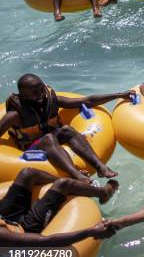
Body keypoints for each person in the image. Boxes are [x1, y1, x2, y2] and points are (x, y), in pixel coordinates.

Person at [0, 74, 135, 181]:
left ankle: (101, 167)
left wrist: (119, 95)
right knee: (48, 138)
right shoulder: (15, 114)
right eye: (35, 92)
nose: (41, 94)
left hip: (52, 139)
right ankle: (76, 174)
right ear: (23, 95)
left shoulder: (51, 100)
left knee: (67, 130)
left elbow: (87, 101)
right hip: (30, 150)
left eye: (41, 89)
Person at [0, 168, 118, 246]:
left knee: (28, 174)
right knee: (64, 184)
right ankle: (103, 193)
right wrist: (89, 232)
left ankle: (77, 183)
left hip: (5, 218)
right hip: (25, 231)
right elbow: (45, 241)